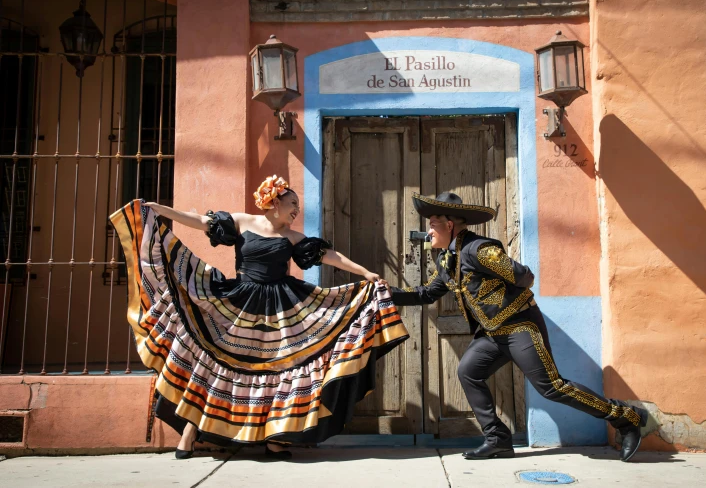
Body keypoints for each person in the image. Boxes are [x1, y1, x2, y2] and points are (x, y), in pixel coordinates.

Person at [110, 175, 408, 459]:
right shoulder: (241, 221)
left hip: (280, 309)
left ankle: (275, 437)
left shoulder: (293, 237)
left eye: (298, 207)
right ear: (275, 202)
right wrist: (162, 210)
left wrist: (365, 273)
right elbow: (202, 222)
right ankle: (190, 431)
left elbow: (330, 256)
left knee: (277, 372)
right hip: (240, 303)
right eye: (293, 205)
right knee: (218, 366)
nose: (296, 211)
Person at [385, 192, 648, 462]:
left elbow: (525, 276)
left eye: (432, 224)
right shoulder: (445, 260)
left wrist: (503, 294)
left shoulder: (480, 250)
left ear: (449, 224)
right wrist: (387, 293)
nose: (428, 232)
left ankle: (626, 418)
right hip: (492, 334)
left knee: (551, 387)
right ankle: (497, 439)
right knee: (468, 372)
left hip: (520, 326)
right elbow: (426, 294)